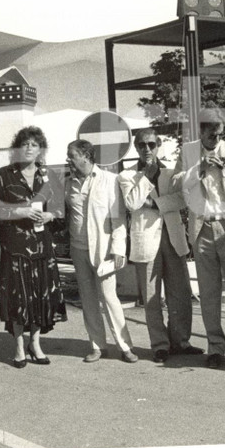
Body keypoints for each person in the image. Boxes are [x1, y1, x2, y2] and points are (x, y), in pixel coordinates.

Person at [118, 128, 201, 364]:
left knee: (181, 294)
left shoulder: (173, 171)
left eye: (152, 145)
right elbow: (133, 204)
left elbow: (182, 199)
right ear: (136, 147)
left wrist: (153, 204)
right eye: (142, 145)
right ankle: (160, 344)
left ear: (159, 144)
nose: (147, 149)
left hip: (173, 238)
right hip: (146, 242)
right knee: (152, 297)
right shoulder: (126, 176)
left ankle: (181, 341)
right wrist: (145, 176)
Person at [178, 109, 225, 370]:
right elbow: (179, 182)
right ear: (200, 131)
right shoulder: (188, 151)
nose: (216, 140)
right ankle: (215, 347)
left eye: (221, 135)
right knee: (209, 294)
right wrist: (200, 168)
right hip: (202, 228)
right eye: (211, 136)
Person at [0, 126, 66, 368]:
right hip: (15, 246)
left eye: (34, 144)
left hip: (43, 247)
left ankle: (36, 342)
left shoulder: (49, 175)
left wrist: (51, 216)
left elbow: (62, 209)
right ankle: (19, 346)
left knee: (40, 295)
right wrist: (18, 211)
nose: (30, 148)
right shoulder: (3, 175)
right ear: (17, 148)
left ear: (40, 149)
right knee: (18, 296)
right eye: (25, 144)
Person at [64, 139, 136, 363]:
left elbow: (119, 220)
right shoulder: (68, 183)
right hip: (78, 249)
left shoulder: (109, 180)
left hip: (104, 250)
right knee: (88, 299)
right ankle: (97, 346)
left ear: (85, 156)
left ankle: (125, 346)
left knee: (109, 297)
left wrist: (117, 250)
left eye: (72, 155)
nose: (69, 160)